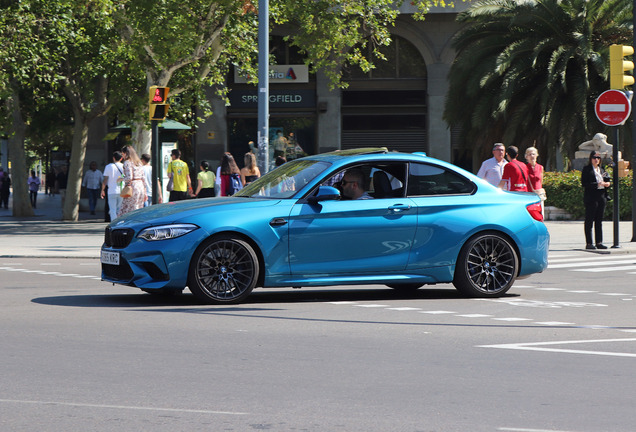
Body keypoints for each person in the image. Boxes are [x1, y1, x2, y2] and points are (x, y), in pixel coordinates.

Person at [581, 150, 610, 250]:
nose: (596, 160)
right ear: (591, 159)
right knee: (589, 220)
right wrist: (597, 184)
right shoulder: (587, 169)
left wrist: (607, 184)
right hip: (591, 197)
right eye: (594, 158)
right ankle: (589, 242)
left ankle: (599, 242)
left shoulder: (602, 169)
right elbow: (584, 183)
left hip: (601, 196)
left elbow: (607, 180)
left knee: (599, 220)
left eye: (598, 158)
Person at [118, 145, 148, 217]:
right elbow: (143, 177)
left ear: (126, 153)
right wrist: (145, 190)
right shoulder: (139, 163)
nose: (123, 156)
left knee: (128, 208)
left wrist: (121, 179)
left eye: (123, 154)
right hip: (140, 186)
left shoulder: (127, 162)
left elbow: (129, 177)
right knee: (138, 207)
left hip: (133, 186)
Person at [101, 151, 124, 222]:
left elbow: (105, 179)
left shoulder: (108, 166)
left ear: (113, 158)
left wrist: (102, 190)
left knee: (112, 209)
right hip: (122, 190)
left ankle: (114, 223)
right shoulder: (124, 166)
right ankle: (120, 222)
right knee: (120, 209)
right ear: (121, 158)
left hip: (111, 191)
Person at [525, 146, 546, 213]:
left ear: (537, 155)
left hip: (539, 195)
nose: (532, 156)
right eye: (530, 154)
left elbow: (540, 181)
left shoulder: (540, 167)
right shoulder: (525, 168)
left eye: (533, 154)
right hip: (529, 194)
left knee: (539, 213)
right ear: (526, 157)